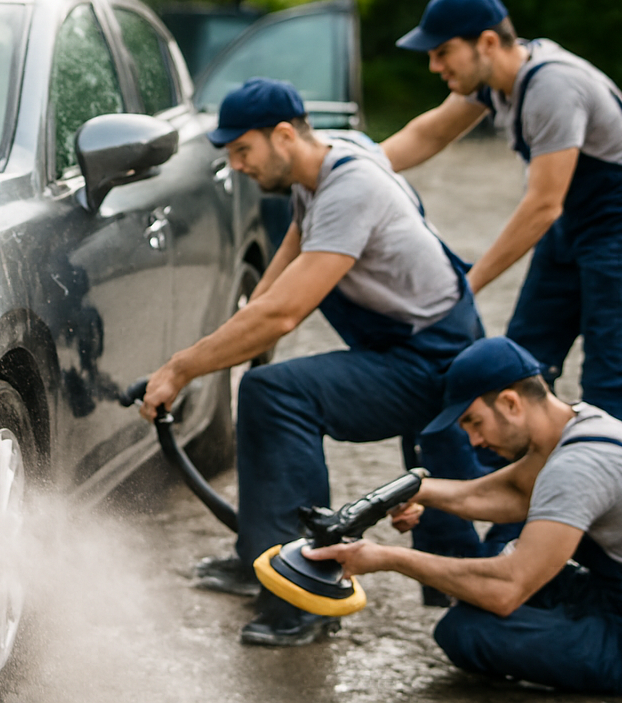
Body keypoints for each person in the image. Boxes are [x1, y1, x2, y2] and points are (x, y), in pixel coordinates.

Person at [140, 77, 491, 646]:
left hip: (434, 361)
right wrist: (242, 337)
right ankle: (262, 556)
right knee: (268, 387)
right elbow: (287, 262)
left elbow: (284, 314)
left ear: (282, 135)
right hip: (405, 346)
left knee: (279, 395)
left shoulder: (350, 188)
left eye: (243, 151)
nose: (238, 166)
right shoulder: (322, 164)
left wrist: (182, 368)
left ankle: (304, 595)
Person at [311, 337, 622, 695]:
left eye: (474, 422)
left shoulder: (577, 467)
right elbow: (506, 492)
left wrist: (386, 558)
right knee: (474, 586)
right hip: (615, 592)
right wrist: (403, 493)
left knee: (467, 631)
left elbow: (507, 590)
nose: (473, 440)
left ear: (510, 403)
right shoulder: (580, 425)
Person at [385, 0, 622, 432]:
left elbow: (543, 206)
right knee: (525, 364)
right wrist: (351, 165)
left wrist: (468, 285)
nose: (433, 65)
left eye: (442, 51)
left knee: (612, 379)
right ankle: (523, 487)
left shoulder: (553, 87)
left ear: (486, 43)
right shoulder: (497, 82)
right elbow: (430, 133)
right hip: (574, 224)